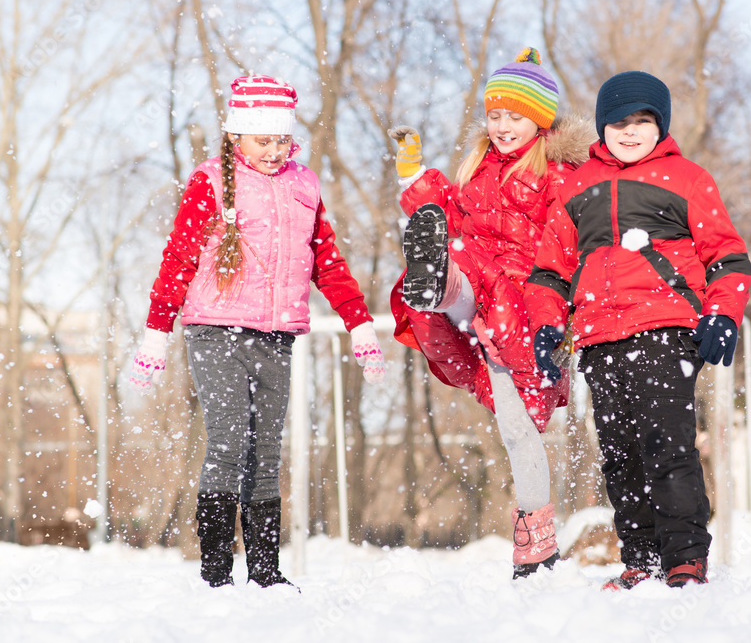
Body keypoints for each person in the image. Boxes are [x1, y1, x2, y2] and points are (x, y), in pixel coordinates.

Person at [130, 75, 386, 589]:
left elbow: (327, 261)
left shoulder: (304, 184)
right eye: (262, 140)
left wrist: (358, 322)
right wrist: (157, 330)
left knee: (266, 451)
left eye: (281, 140)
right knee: (228, 444)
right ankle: (216, 575)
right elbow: (179, 258)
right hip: (215, 331)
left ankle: (266, 574)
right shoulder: (211, 182)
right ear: (235, 138)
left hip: (277, 335)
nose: (274, 151)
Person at [525, 70, 751, 589]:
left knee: (666, 444)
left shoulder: (689, 178)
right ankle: (642, 558)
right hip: (599, 336)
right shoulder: (575, 185)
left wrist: (722, 314)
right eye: (619, 121)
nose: (630, 132)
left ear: (660, 126)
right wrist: (545, 326)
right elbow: (549, 270)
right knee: (620, 450)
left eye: (643, 121)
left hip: (666, 327)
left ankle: (684, 558)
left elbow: (728, 256)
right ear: (602, 127)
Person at [388, 48, 591, 578]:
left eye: (514, 116)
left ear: (540, 120)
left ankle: (537, 548)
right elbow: (451, 212)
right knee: (456, 260)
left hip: (529, 305)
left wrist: (567, 311)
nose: (502, 126)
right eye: (494, 115)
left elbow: (572, 241)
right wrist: (414, 176)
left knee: (517, 428)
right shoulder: (478, 168)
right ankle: (438, 283)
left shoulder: (559, 173)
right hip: (479, 293)